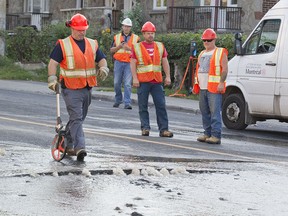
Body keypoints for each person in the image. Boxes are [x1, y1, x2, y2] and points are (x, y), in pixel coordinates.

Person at [47, 13, 109, 161]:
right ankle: (80, 147)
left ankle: (66, 142)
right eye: (79, 29)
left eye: (84, 29)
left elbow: (101, 59)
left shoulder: (92, 43)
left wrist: (104, 68)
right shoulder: (63, 44)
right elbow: (52, 63)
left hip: (87, 88)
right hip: (70, 88)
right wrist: (52, 79)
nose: (82, 32)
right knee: (76, 117)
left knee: (79, 119)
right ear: (72, 28)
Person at [130, 21, 173, 138]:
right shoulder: (137, 47)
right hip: (143, 81)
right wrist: (134, 78)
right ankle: (145, 128)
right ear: (143, 34)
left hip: (156, 81)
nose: (151, 35)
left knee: (161, 105)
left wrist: (168, 76)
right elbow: (133, 63)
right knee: (143, 106)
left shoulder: (160, 46)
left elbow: (165, 61)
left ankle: (164, 129)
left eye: (152, 33)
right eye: (148, 33)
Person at [193, 28, 228, 144]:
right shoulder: (202, 53)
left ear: (214, 40)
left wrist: (222, 82)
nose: (206, 42)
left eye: (209, 40)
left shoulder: (220, 52)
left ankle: (216, 135)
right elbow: (198, 70)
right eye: (204, 40)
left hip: (214, 88)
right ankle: (207, 133)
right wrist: (196, 85)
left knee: (214, 112)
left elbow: (225, 69)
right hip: (203, 87)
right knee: (204, 112)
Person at [110, 18, 140, 109]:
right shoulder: (117, 37)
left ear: (130, 27)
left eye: (128, 26)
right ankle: (118, 99)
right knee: (116, 83)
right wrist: (119, 46)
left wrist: (129, 49)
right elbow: (111, 50)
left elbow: (139, 52)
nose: (126, 28)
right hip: (118, 62)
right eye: (125, 26)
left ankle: (127, 102)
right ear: (122, 27)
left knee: (127, 83)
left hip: (129, 63)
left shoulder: (136, 38)